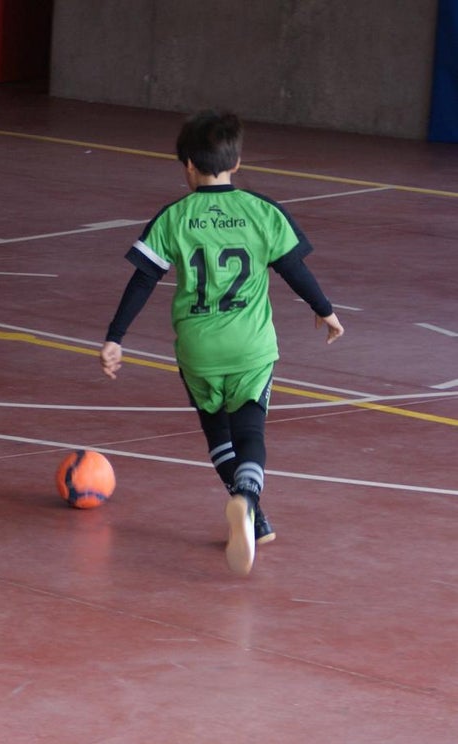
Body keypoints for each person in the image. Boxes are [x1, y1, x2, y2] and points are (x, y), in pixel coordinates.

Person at [99, 109, 344, 576]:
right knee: (250, 429)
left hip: (198, 349)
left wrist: (116, 337)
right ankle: (248, 499)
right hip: (250, 346)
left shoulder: (175, 216)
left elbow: (142, 280)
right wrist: (325, 310)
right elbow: (294, 269)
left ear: (188, 165)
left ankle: (255, 517)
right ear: (237, 161)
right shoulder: (262, 211)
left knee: (217, 432)